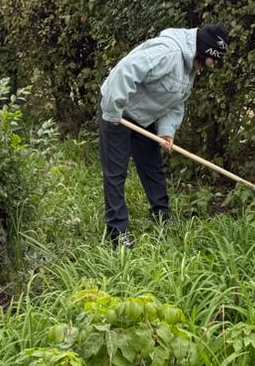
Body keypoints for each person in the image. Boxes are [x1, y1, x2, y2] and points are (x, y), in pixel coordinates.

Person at [98, 24, 230, 246]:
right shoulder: (167, 53)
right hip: (117, 111)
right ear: (204, 50)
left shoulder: (190, 68)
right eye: (212, 60)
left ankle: (162, 216)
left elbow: (176, 103)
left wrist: (167, 131)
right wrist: (113, 110)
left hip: (143, 117)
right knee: (116, 171)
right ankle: (117, 233)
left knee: (152, 166)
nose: (212, 65)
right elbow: (125, 71)